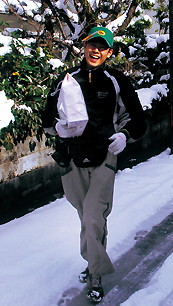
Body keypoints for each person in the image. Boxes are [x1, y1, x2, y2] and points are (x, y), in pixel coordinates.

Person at [41, 26, 146, 303]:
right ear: (84, 47)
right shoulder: (67, 81)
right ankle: (92, 264)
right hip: (73, 159)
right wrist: (58, 128)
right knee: (90, 219)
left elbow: (139, 120)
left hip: (104, 158)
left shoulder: (116, 80)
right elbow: (46, 118)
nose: (96, 50)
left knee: (91, 217)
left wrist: (124, 136)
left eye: (102, 46)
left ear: (109, 52)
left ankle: (96, 276)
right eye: (92, 45)